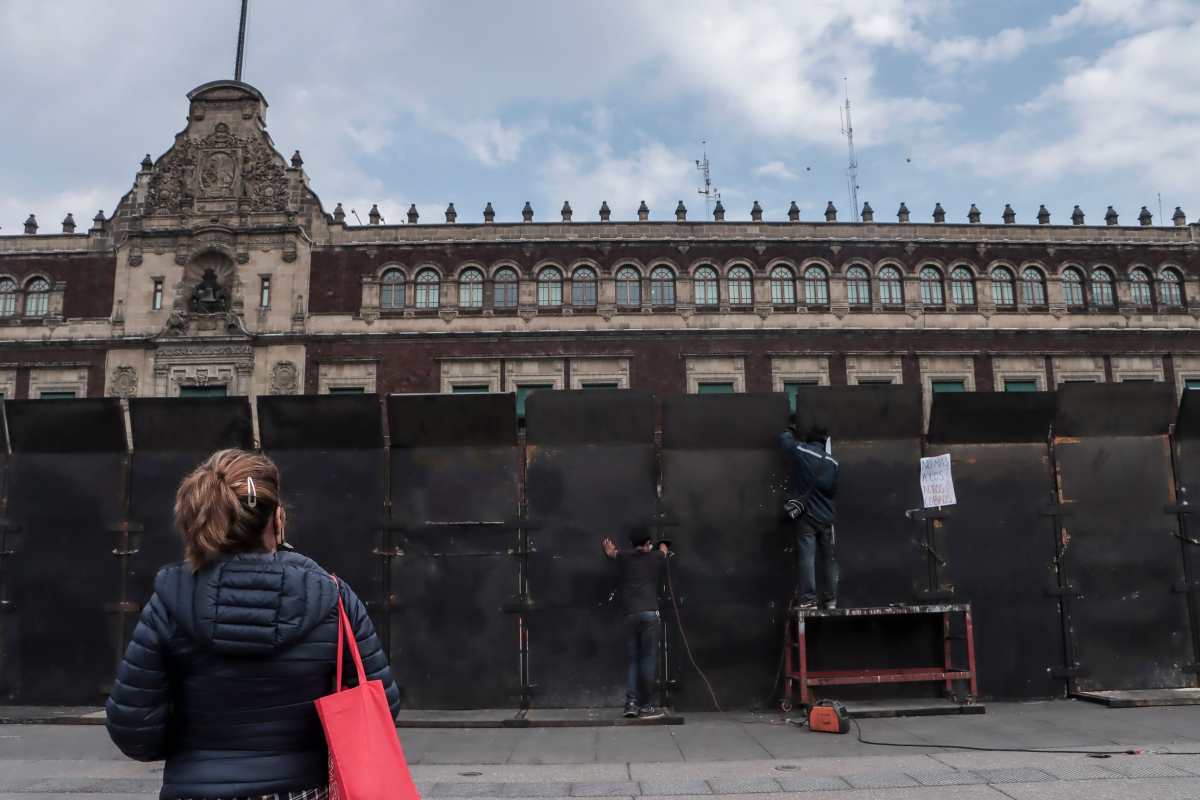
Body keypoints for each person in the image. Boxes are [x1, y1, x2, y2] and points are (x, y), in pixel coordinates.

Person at [105, 449, 400, 800]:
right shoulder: (333, 598)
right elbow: (381, 708)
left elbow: (133, 728)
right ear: (277, 519)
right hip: (301, 789)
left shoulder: (168, 603)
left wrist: (197, 750)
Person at [601, 530, 671, 719]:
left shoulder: (624, 557)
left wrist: (609, 549)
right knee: (647, 659)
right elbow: (664, 552)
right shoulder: (655, 557)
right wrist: (663, 543)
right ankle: (646, 705)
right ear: (648, 543)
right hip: (649, 614)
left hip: (630, 614)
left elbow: (612, 553)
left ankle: (630, 704)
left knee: (634, 660)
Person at [780, 423, 840, 610]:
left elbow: (785, 442)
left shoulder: (804, 451)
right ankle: (830, 599)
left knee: (807, 556)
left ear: (810, 439)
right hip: (826, 517)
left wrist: (790, 429)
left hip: (807, 517)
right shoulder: (833, 463)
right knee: (828, 559)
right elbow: (832, 491)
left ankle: (808, 599)